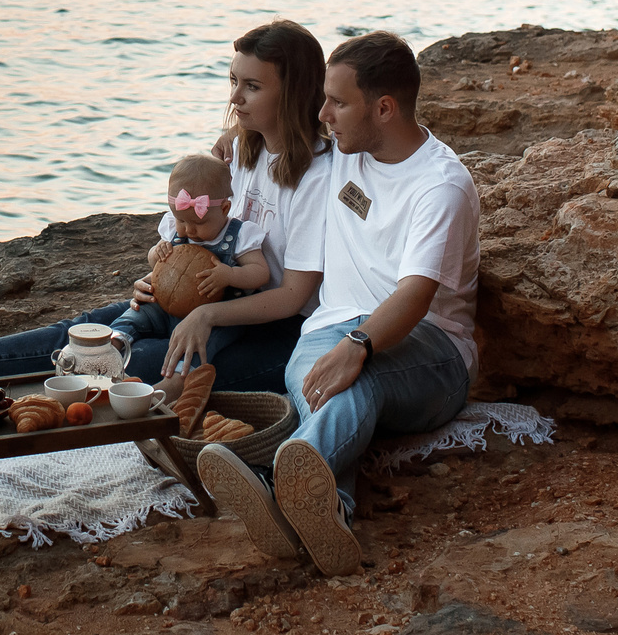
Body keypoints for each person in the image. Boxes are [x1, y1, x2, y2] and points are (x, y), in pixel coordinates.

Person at [194, 30, 477, 577]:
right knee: (324, 376)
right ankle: (330, 509)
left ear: (385, 108)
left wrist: (360, 345)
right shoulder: (346, 149)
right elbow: (281, 79)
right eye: (324, 99)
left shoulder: (439, 185)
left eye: (338, 102)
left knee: (355, 377)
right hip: (331, 328)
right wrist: (237, 129)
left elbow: (416, 296)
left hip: (431, 348)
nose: (323, 113)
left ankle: (278, 484)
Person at [0, 19, 334, 393]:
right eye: (233, 81)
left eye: (252, 86)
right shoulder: (245, 150)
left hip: (275, 328)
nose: (235, 97)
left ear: (293, 91)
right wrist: (161, 274)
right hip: (207, 302)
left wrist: (206, 317)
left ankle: (8, 405)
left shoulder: (316, 176)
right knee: (82, 332)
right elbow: (206, 231)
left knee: (125, 363)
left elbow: (292, 297)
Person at [104, 155, 269, 350]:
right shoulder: (173, 228)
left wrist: (230, 275)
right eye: (181, 221)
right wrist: (157, 253)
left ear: (225, 209)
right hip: (166, 306)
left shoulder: (240, 235)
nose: (189, 230)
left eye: (199, 223)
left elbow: (260, 272)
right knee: (137, 313)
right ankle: (113, 343)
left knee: (209, 341)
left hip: (213, 315)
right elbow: (153, 262)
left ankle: (184, 372)